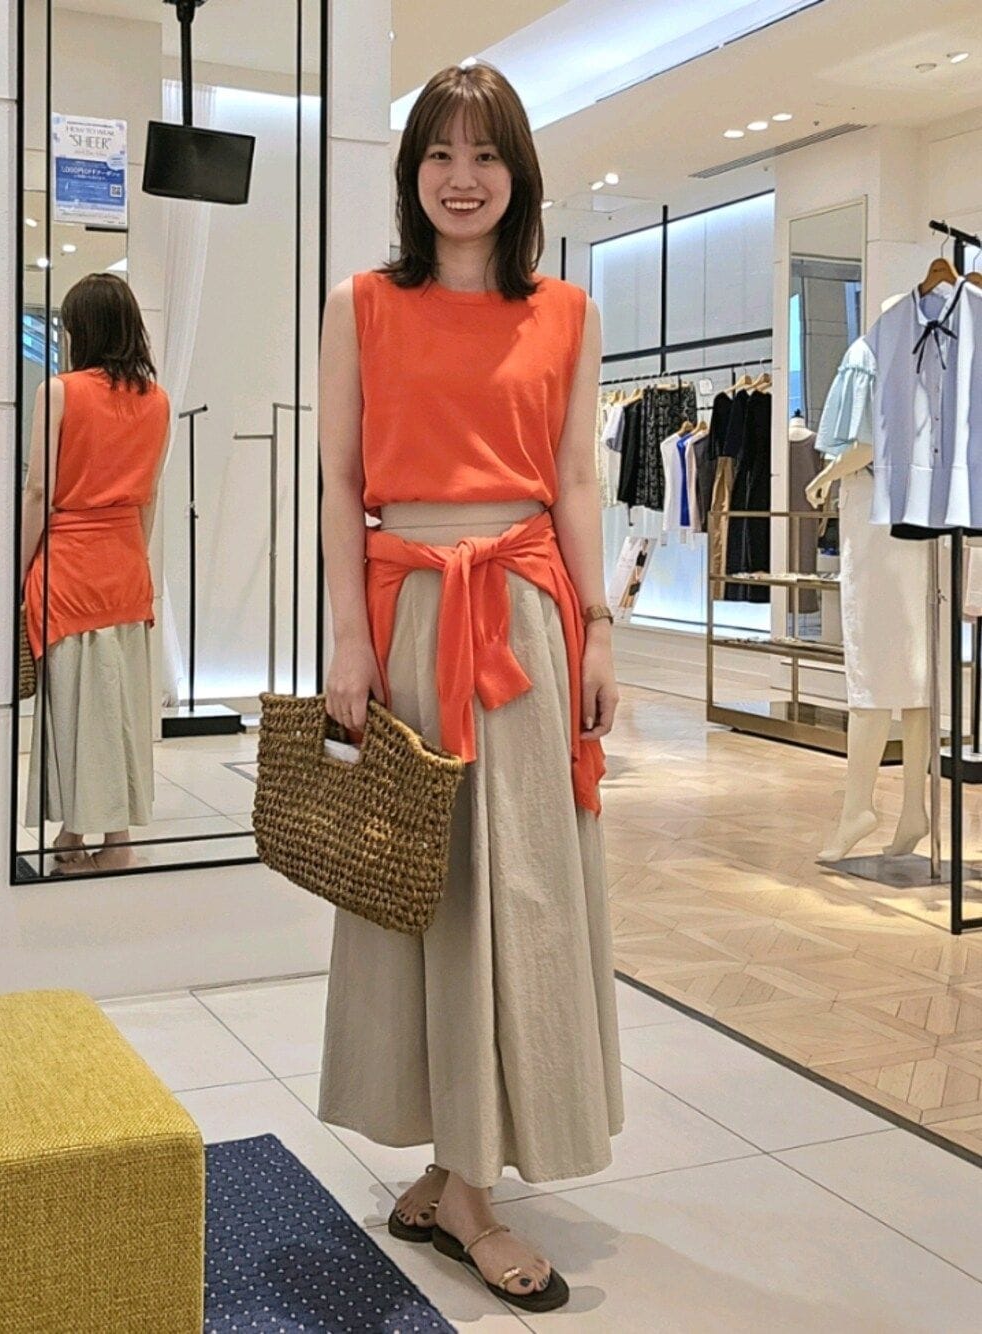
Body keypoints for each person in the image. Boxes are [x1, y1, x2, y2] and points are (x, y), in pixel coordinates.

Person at [317, 63, 623, 1313]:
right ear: (412, 175)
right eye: (439, 153)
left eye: (485, 153)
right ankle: (463, 1184)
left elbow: (577, 481)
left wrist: (598, 626)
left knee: (524, 891)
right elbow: (341, 481)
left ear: (517, 173)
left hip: (527, 615)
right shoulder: (362, 304)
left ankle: (464, 1174)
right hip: (410, 613)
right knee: (427, 886)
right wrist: (348, 636)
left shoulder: (566, 311)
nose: (462, 176)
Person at [22, 273, 170, 872]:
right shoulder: (157, 401)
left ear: (79, 330)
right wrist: (135, 559)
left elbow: (39, 491)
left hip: (71, 569)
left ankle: (79, 837)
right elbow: (148, 498)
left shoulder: (59, 392)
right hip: (125, 567)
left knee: (75, 711)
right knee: (119, 710)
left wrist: (17, 571)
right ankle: (111, 838)